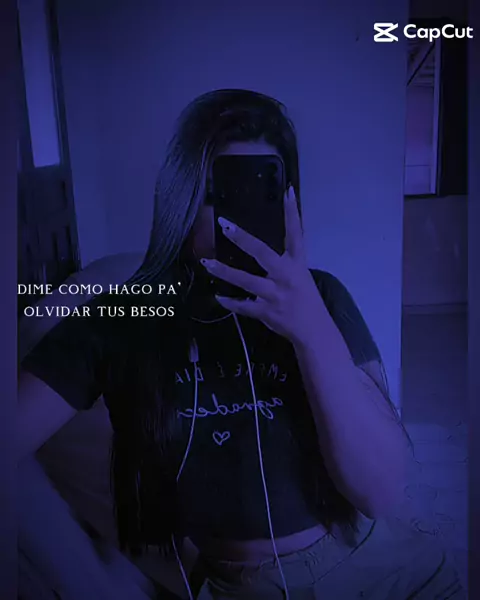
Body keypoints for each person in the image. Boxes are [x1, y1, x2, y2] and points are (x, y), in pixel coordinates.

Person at [19, 89, 464, 599]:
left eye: (262, 193)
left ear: (289, 202)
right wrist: (79, 566)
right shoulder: (124, 317)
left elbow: (380, 492)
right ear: (181, 198)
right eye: (220, 194)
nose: (235, 218)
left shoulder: (321, 296)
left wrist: (311, 330)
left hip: (387, 566)